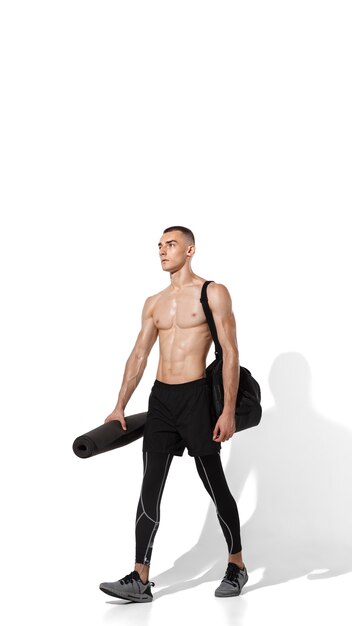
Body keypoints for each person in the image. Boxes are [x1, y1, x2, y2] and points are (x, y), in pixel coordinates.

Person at [99, 226, 248, 602]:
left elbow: (230, 352)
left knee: (214, 483)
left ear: (191, 250)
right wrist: (120, 405)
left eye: (171, 245)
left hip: (197, 398)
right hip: (161, 400)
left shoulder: (212, 291)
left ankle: (237, 565)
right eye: (160, 246)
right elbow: (138, 355)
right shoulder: (154, 302)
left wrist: (228, 410)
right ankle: (140, 578)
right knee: (150, 486)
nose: (163, 251)